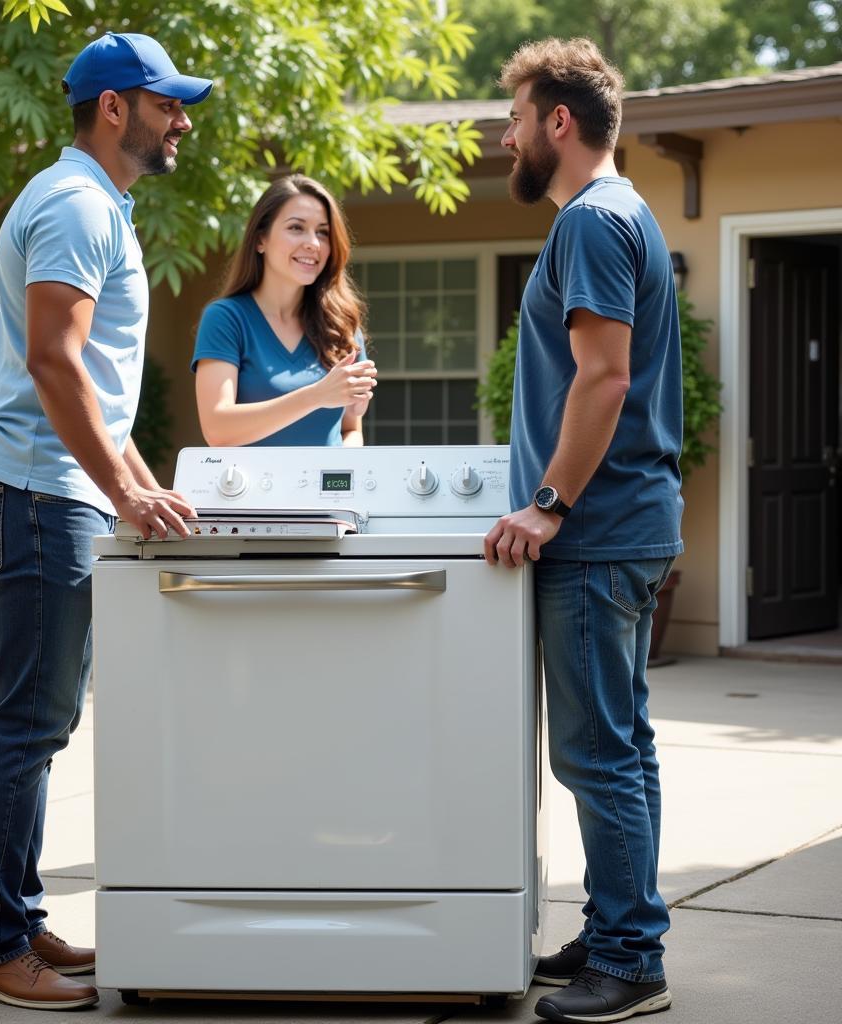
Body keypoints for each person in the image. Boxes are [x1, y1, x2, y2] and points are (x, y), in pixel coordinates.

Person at [0, 32, 212, 1011]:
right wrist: (120, 486)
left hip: (52, 484)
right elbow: (55, 365)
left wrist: (144, 484)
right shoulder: (73, 205)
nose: (182, 120)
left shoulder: (93, 202)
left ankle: (12, 913)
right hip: (30, 487)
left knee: (41, 719)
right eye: (167, 103)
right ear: (115, 107)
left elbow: (96, 393)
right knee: (26, 721)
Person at [483, 38, 682, 1024]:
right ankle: (618, 923)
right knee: (622, 743)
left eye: (515, 117)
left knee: (596, 754)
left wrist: (547, 502)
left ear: (557, 122)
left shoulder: (591, 224)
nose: (505, 134)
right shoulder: (626, 212)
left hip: (595, 534)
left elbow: (602, 378)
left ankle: (630, 959)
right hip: (627, 529)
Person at [192, 174, 376, 446]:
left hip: (326, 489)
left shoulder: (343, 326)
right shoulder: (226, 319)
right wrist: (316, 396)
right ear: (260, 240)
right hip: (254, 489)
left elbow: (351, 430)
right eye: (296, 228)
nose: (313, 243)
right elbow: (217, 429)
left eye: (323, 232)